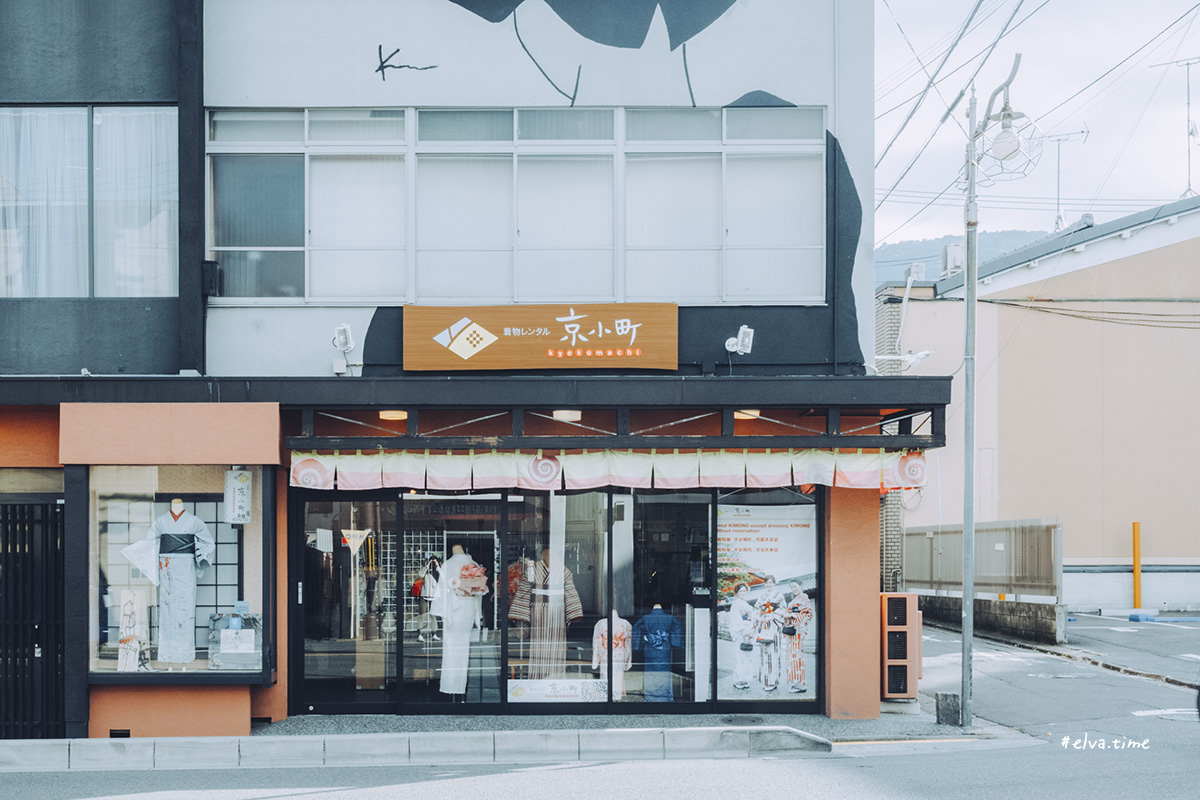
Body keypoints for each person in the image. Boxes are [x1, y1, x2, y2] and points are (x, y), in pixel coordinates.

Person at [148, 499, 214, 669]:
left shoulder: (194, 522)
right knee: (167, 610)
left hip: (186, 566)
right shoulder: (161, 522)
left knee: (186, 609)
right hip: (166, 566)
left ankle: (184, 658)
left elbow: (208, 543)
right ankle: (168, 658)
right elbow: (150, 543)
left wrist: (200, 558)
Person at [507, 546, 583, 678]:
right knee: (539, 644)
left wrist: (572, 611)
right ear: (542, 556)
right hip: (538, 608)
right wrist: (523, 613)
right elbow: (524, 589)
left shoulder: (564, 571)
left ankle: (556, 676)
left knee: (556, 644)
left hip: (557, 609)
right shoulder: (534, 570)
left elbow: (570, 592)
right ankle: (538, 675)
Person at [430, 543, 487, 697]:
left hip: (454, 609)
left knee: (451, 648)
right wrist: (477, 614)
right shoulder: (473, 564)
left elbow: (443, 590)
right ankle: (460, 687)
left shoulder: (449, 564)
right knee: (464, 647)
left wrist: (441, 611)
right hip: (468, 608)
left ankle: (451, 688)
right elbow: (478, 593)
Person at [632, 604, 684, 701]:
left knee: (650, 674)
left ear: (653, 608)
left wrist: (642, 641)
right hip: (664, 650)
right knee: (664, 673)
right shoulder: (670, 618)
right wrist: (674, 642)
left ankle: (650, 697)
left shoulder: (646, 618)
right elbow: (677, 628)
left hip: (649, 649)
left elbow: (636, 629)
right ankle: (664, 697)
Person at [592, 611, 633, 700]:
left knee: (605, 673)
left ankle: (605, 695)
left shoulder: (601, 623)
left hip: (605, 653)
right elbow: (628, 644)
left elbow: (597, 642)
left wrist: (596, 659)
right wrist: (627, 659)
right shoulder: (626, 623)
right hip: (620, 654)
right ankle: (616, 696)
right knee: (618, 674)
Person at [782, 581, 815, 693]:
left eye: (795, 586)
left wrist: (793, 615)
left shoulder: (804, 598)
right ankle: (794, 683)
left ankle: (799, 685)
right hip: (791, 632)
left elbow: (808, 614)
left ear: (801, 586)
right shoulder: (793, 601)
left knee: (796, 657)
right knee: (790, 657)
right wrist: (787, 616)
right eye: (791, 587)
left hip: (798, 631)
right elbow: (789, 614)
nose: (793, 589)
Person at [754, 575, 785, 691]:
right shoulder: (761, 596)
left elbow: (782, 609)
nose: (769, 585)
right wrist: (759, 618)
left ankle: (773, 682)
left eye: (771, 582)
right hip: (764, 627)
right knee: (764, 654)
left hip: (774, 627)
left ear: (774, 584)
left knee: (774, 653)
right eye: (767, 583)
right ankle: (766, 681)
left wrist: (771, 617)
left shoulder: (779, 595)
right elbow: (756, 609)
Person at [728, 582, 755, 690]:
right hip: (741, 632)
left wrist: (752, 630)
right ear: (737, 593)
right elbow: (735, 618)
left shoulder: (748, 605)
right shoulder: (736, 604)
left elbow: (753, 619)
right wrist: (742, 630)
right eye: (740, 591)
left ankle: (745, 680)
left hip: (748, 633)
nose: (743, 593)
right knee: (739, 657)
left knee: (747, 658)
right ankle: (738, 680)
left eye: (744, 591)